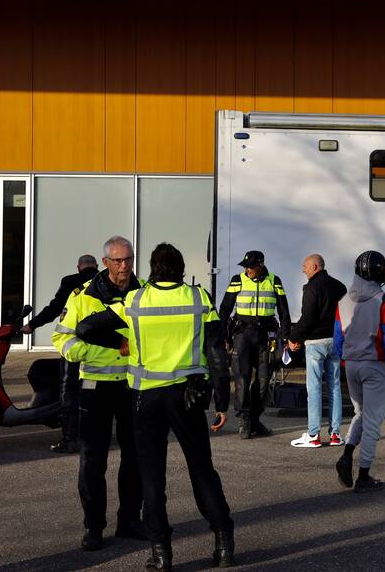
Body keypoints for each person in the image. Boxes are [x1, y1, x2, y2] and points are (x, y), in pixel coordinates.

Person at [77, 242, 234, 571]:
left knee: (152, 477)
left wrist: (121, 341)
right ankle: (223, 543)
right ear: (180, 269)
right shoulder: (198, 298)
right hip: (187, 396)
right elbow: (217, 352)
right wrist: (222, 401)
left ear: (151, 268)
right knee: (202, 470)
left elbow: (85, 328)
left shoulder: (134, 300)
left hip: (145, 398)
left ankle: (161, 554)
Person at [51, 237, 144, 551]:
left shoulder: (144, 293)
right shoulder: (82, 295)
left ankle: (130, 520)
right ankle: (94, 526)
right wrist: (91, 351)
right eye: (118, 261)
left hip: (133, 386)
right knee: (93, 461)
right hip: (95, 386)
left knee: (135, 457)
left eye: (128, 260)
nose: (124, 266)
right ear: (105, 263)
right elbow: (61, 339)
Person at [333, 251, 385, 493]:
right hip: (375, 363)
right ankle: (363, 475)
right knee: (373, 423)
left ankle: (347, 454)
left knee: (360, 414)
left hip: (351, 363)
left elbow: (338, 338)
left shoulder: (343, 301)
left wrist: (346, 361)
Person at [23, 254, 99, 453]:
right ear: (97, 266)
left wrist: (32, 325)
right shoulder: (104, 282)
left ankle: (69, 438)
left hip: (74, 348)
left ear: (78, 267)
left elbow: (54, 309)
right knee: (94, 391)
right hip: (101, 351)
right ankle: (93, 434)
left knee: (69, 390)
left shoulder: (71, 282)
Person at [218, 250, 291, 439]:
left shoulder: (274, 280)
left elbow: (284, 311)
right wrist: (224, 336)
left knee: (264, 381)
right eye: (245, 266)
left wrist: (284, 337)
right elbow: (225, 308)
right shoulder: (238, 279)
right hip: (243, 334)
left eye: (250, 266)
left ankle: (255, 418)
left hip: (265, 336)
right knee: (241, 378)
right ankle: (244, 420)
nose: (247, 270)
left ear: (260, 265)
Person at [288, 254, 347, 448]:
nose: (303, 270)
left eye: (305, 266)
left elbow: (308, 317)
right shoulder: (337, 286)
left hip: (316, 342)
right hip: (335, 340)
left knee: (314, 388)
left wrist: (294, 338)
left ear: (314, 267)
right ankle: (336, 435)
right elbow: (344, 294)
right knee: (334, 386)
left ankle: (313, 435)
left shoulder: (312, 287)